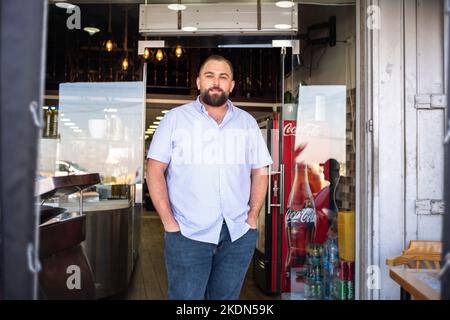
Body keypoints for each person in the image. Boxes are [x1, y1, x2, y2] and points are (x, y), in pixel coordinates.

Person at [146, 55, 273, 300]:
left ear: (232, 85)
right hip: (187, 234)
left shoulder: (247, 124)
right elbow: (154, 170)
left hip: (237, 234)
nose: (216, 82)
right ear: (198, 82)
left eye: (223, 77)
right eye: (209, 76)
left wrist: (252, 217)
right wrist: (169, 223)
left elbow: (260, 171)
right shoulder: (175, 119)